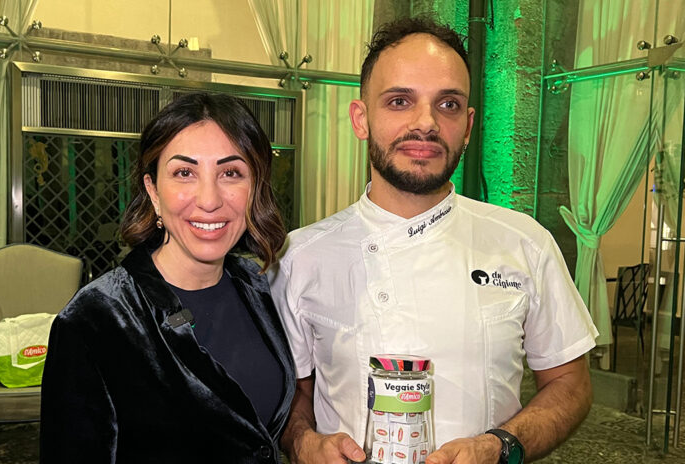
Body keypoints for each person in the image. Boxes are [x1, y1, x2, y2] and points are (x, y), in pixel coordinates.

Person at [269, 17, 598, 464]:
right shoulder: (301, 257)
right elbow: (293, 393)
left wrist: (500, 447)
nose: (426, 123)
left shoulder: (524, 244)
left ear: (468, 125)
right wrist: (304, 443)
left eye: (447, 104)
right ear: (361, 119)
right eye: (399, 101)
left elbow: (570, 382)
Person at [40, 92, 295, 463]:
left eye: (230, 173)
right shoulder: (95, 319)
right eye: (184, 173)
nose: (209, 199)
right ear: (153, 191)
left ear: (254, 188)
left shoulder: (259, 287)